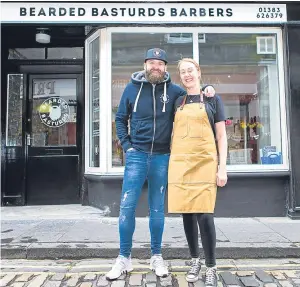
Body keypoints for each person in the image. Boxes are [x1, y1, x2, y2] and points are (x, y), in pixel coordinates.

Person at [106, 48, 216, 280]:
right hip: (137, 155)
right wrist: (126, 145)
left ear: (165, 67)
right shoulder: (131, 88)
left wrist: (208, 89)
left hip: (162, 157)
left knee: (157, 209)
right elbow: (120, 117)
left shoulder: (175, 91)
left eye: (160, 63)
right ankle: (124, 258)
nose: (156, 67)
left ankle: (157, 256)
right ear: (145, 64)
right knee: (127, 207)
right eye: (151, 63)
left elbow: (194, 94)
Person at [168, 58, 228, 287]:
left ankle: (211, 266)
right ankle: (195, 260)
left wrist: (222, 168)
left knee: (204, 214)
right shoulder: (177, 101)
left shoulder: (213, 98)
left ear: (199, 72)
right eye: (183, 72)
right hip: (182, 163)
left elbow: (221, 137)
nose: (187, 75)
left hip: (205, 163)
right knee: (187, 213)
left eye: (190, 70)